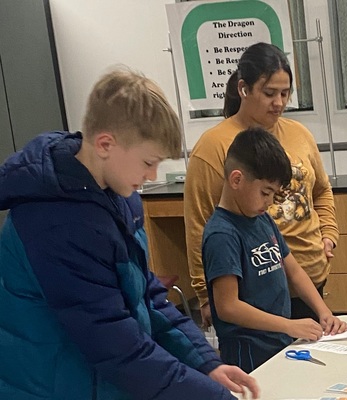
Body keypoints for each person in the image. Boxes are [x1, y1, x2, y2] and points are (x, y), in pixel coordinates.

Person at [0, 69, 259, 399]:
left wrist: (206, 362)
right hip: (50, 385)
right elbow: (117, 347)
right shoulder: (56, 223)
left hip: (95, 378)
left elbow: (146, 295)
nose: (151, 176)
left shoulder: (117, 192)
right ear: (106, 144)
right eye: (148, 162)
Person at [185, 42, 338, 327]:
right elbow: (198, 224)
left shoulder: (299, 133)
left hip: (306, 276)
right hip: (254, 289)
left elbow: (321, 191)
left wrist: (328, 233)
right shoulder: (213, 145)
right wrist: (205, 296)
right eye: (269, 94)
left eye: (285, 93)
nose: (279, 102)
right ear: (244, 89)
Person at [203, 127, 347, 373]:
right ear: (236, 180)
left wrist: (323, 312)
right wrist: (288, 325)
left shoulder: (262, 219)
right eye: (265, 193)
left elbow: (294, 271)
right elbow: (228, 307)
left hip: (277, 342)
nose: (270, 202)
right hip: (247, 352)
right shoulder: (222, 234)